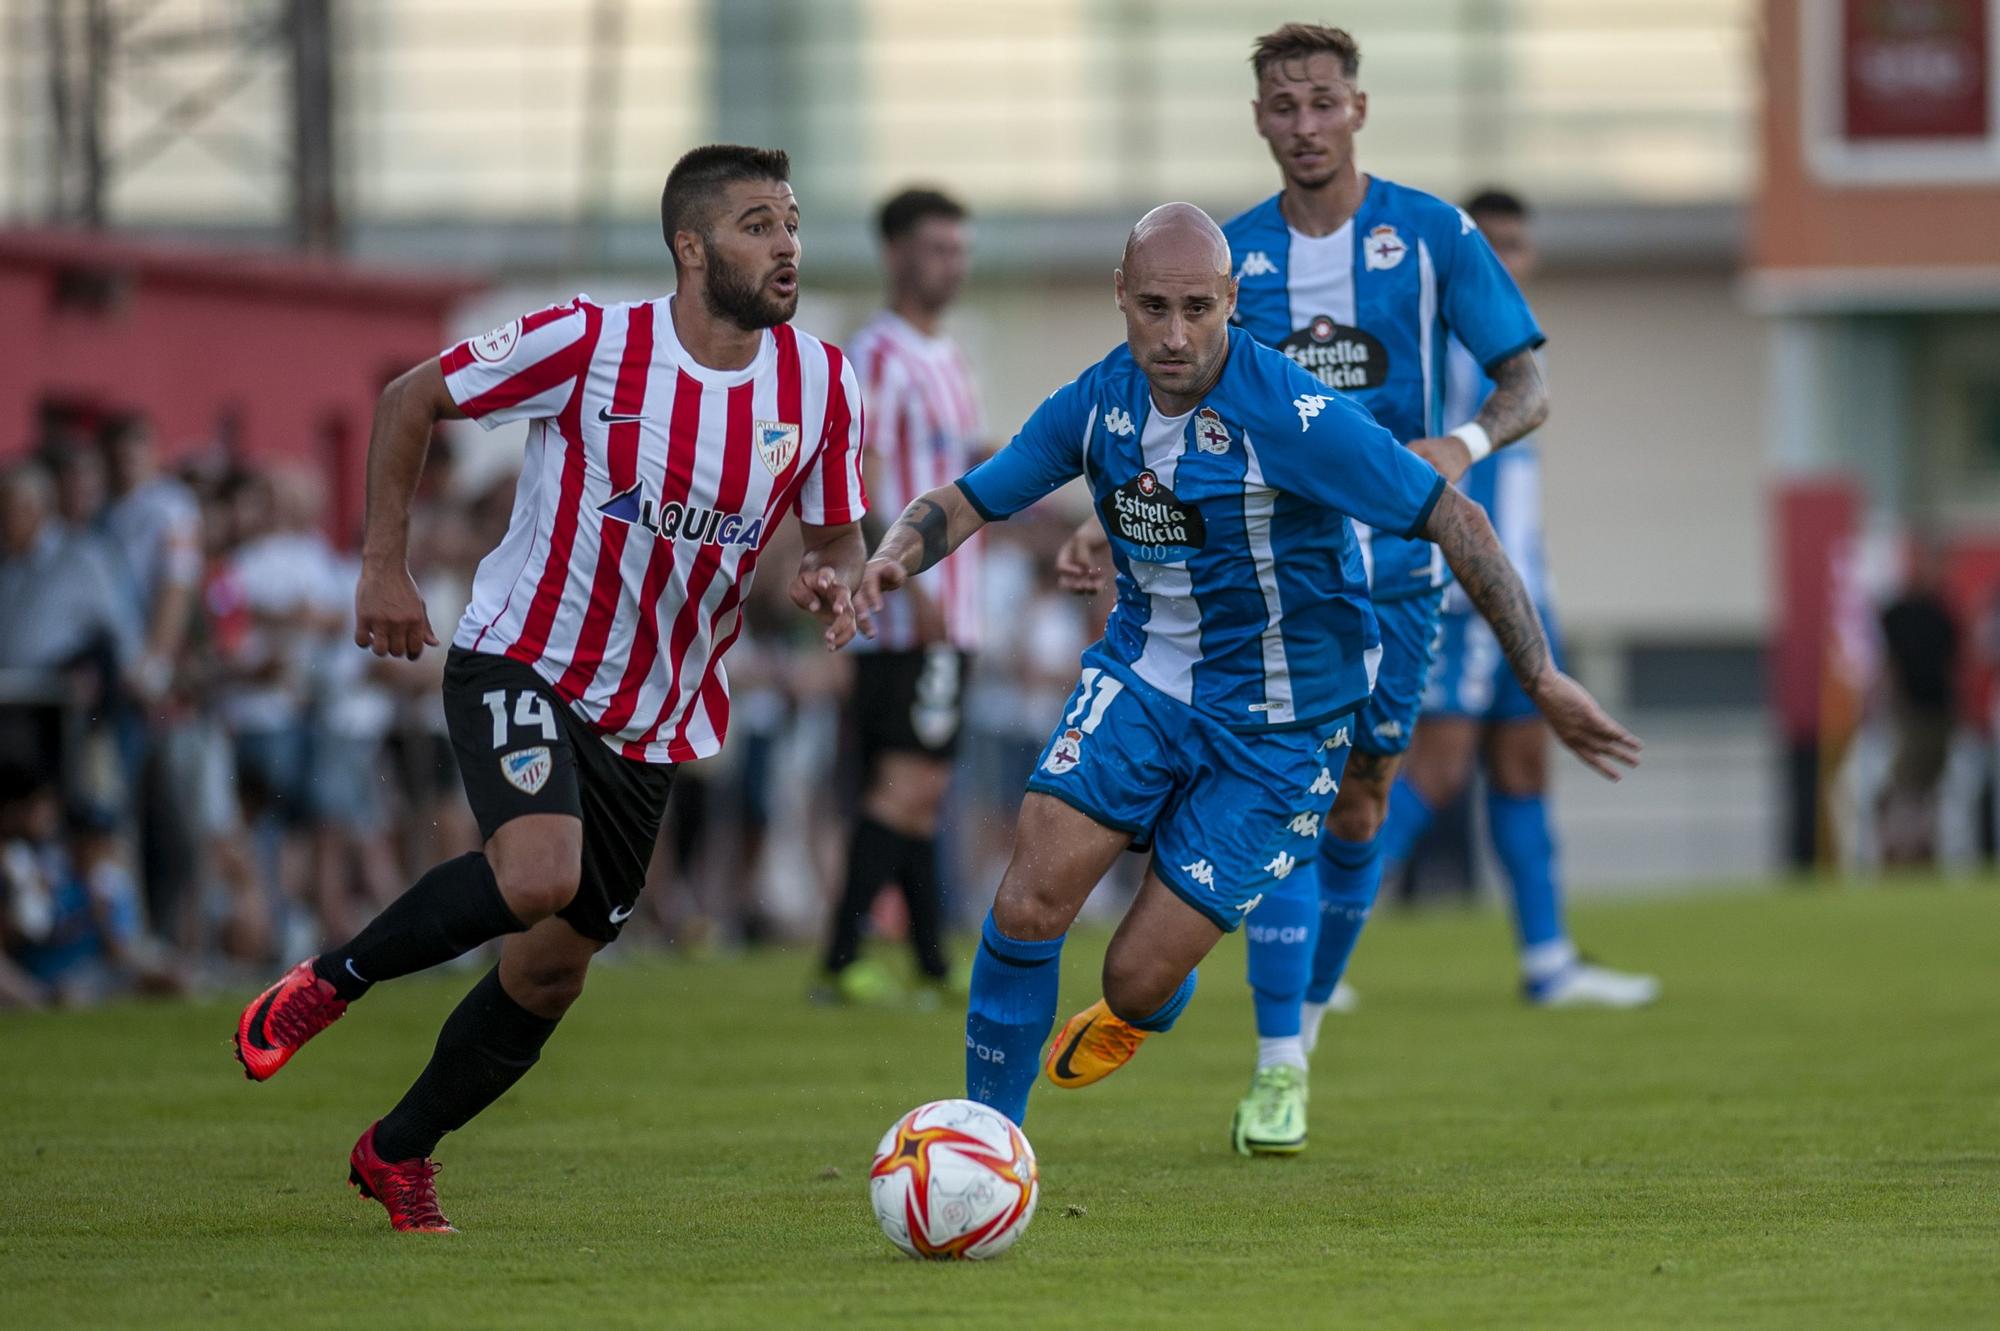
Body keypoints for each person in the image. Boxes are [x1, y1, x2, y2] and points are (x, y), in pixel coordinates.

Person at [857, 202, 1638, 1136]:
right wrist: (893, 557)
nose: (1175, 333)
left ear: (1234, 300)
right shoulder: (1099, 398)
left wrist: (1543, 675)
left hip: (1281, 720)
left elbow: (1455, 520)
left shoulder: (1299, 416)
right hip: (1144, 682)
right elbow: (968, 499)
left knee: (1136, 979)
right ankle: (985, 1137)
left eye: (1198, 307)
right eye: (1153, 307)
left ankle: (1153, 1009)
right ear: (1121, 297)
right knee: (1027, 902)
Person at [231, 143, 868, 1233]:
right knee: (535, 871)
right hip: (522, 654)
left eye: (792, 224)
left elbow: (837, 538)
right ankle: (330, 978)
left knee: (548, 974)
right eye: (759, 224)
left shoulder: (818, 382)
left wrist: (836, 584)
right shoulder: (590, 339)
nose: (786, 246)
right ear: (690, 245)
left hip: (654, 714)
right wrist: (381, 567)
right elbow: (409, 397)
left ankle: (396, 1151)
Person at [1363, 189, 1658, 1013]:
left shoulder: (1515, 347)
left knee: (1523, 768)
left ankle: (1548, 960)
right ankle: (1317, 939)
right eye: (1488, 242)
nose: (1504, 257)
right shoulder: (1443, 343)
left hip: (1526, 588)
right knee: (1437, 769)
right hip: (1465, 593)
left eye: (1516, 243)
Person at [818, 187, 984, 1004]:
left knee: (922, 785)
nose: (950, 263)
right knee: (905, 785)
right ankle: (842, 958)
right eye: (935, 248)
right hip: (912, 606)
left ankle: (928, 959)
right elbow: (863, 474)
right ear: (895, 254)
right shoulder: (876, 354)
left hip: (955, 607)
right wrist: (902, 567)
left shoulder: (947, 355)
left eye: (958, 248)